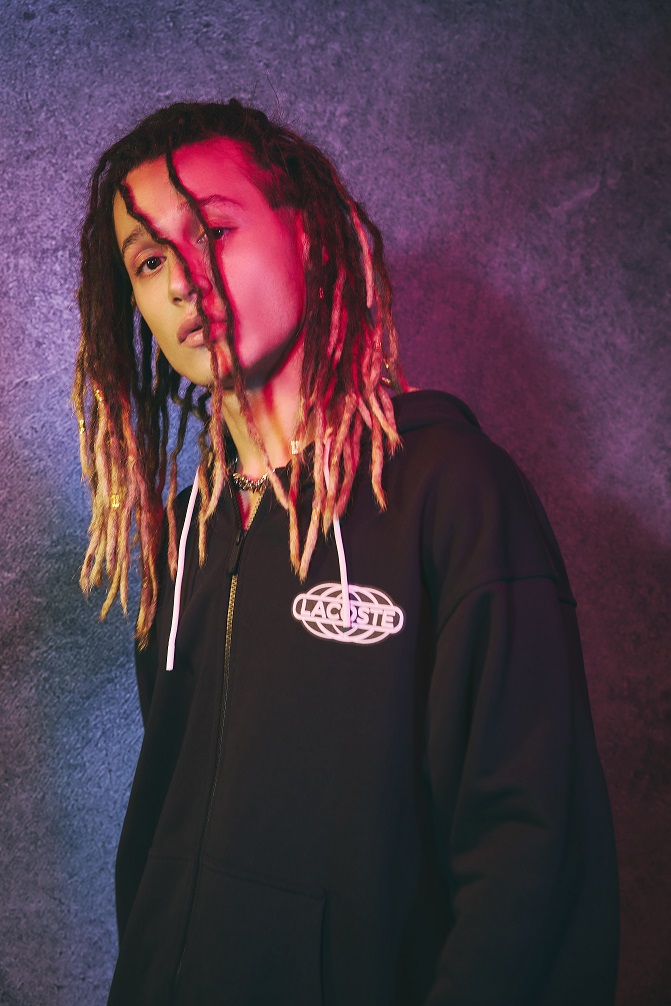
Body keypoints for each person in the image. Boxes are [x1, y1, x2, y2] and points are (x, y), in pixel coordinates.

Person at [74, 100, 619, 1006]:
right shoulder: (183, 535)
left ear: (307, 233)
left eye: (213, 230)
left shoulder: (452, 491)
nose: (184, 282)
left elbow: (530, 855)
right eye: (150, 260)